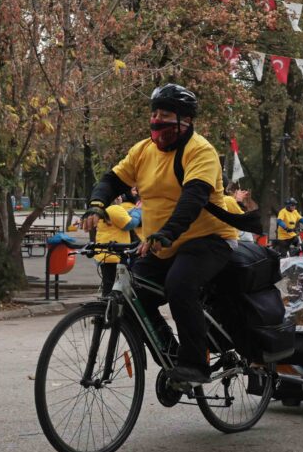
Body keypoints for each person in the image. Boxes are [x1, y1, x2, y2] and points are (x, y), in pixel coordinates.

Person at [82, 83, 246, 385]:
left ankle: (195, 364)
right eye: (154, 113)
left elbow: (193, 200)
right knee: (133, 296)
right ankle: (171, 356)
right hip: (161, 243)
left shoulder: (201, 151)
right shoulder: (143, 151)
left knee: (179, 284)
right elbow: (112, 180)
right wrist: (95, 206)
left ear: (186, 121)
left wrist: (166, 233)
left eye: (166, 115)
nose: (158, 120)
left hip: (208, 239)